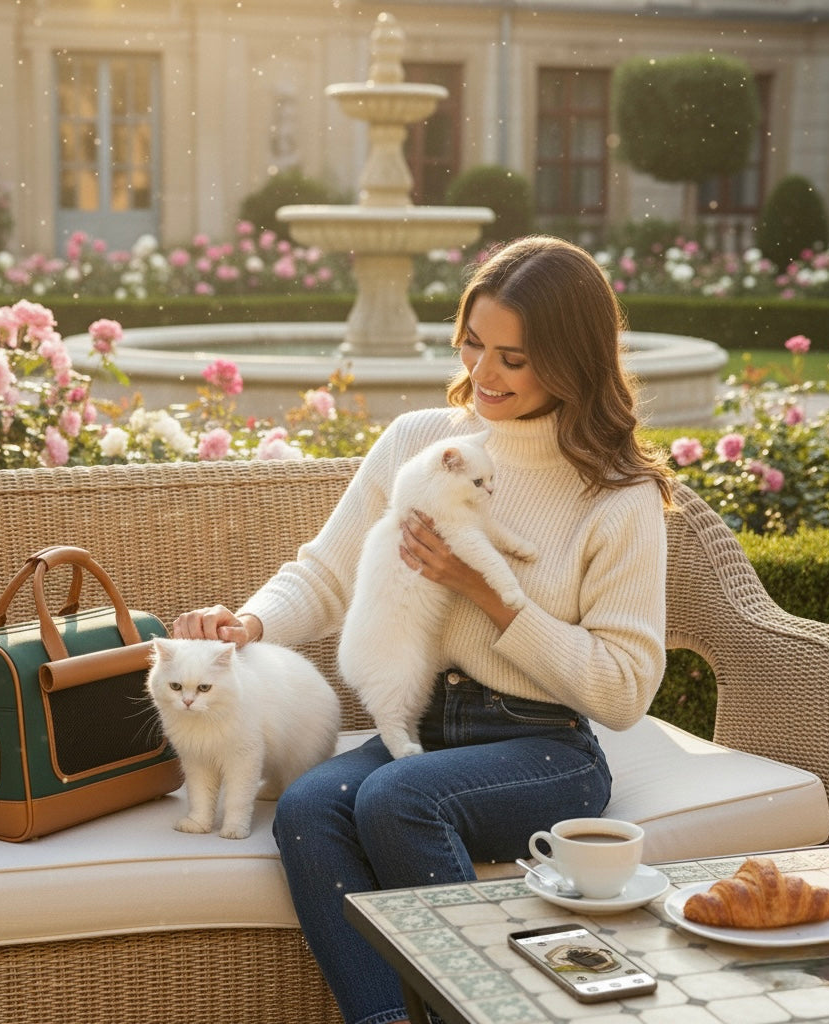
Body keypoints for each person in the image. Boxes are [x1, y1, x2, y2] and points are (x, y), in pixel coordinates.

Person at [172, 235, 673, 1024]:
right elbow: (329, 573)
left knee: (394, 800)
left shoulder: (618, 497)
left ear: (571, 360)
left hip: (543, 747)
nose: (484, 372)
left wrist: (490, 595)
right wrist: (249, 622)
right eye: (473, 344)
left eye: (513, 357)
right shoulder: (419, 445)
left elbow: (623, 689)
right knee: (309, 809)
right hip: (423, 729)